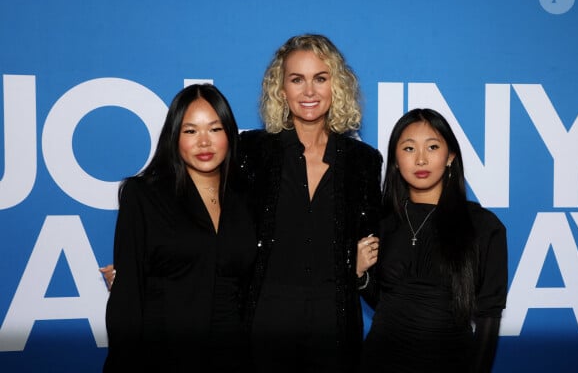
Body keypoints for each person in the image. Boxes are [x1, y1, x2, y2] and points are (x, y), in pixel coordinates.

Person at [238, 34, 383, 372]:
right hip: (263, 328)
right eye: (296, 79)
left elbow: (375, 244)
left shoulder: (363, 161)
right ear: (281, 88)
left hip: (334, 329)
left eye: (320, 78)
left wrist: (360, 271)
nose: (309, 92)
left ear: (337, 85)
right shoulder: (251, 152)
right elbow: (213, 222)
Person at [102, 84, 257, 372]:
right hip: (164, 356)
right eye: (190, 131)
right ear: (174, 136)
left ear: (230, 134)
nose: (204, 142)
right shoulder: (144, 195)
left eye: (214, 129)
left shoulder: (247, 197)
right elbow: (127, 299)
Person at [358, 108, 508, 372]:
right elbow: (387, 302)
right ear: (395, 160)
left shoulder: (484, 226)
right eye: (408, 149)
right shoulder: (381, 222)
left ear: (450, 156)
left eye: (432, 147)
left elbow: (489, 317)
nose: (421, 160)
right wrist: (359, 275)